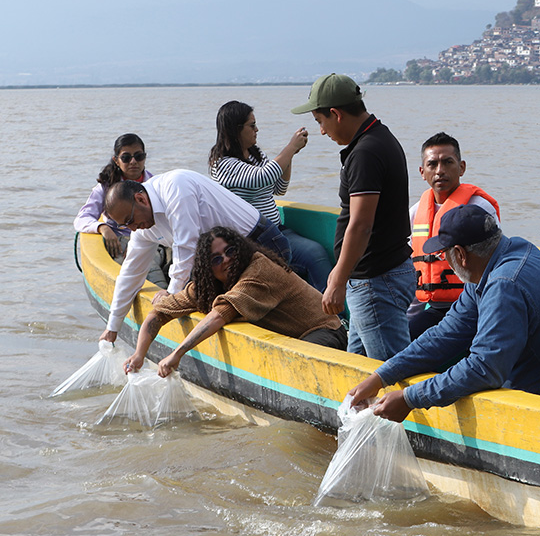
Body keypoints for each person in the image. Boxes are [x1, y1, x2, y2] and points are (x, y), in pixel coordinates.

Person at [345, 205, 540, 422]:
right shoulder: (506, 255)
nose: (444, 260)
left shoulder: (503, 284)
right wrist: (383, 375)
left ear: (460, 255)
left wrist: (410, 398)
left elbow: (484, 368)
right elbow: (447, 334)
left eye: (443, 254)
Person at [291, 73, 416, 361]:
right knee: (358, 367)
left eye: (320, 122)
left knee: (390, 374)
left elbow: (360, 224)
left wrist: (337, 279)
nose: (322, 132)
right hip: (378, 276)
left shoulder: (366, 153)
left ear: (335, 114)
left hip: (375, 281)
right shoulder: (379, 138)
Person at [97, 169, 291, 344]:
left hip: (261, 243)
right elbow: (130, 273)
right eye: (125, 225)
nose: (132, 228)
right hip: (227, 262)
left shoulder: (176, 186)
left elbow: (186, 246)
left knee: (280, 318)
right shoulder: (141, 225)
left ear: (141, 199)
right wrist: (112, 327)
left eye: (131, 220)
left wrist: (171, 296)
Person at [125, 226, 345, 377]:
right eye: (217, 259)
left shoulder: (259, 270)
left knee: (298, 363)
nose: (227, 260)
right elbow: (159, 313)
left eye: (230, 251)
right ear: (208, 269)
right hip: (293, 338)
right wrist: (139, 355)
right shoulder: (207, 288)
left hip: (324, 329)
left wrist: (177, 354)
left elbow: (220, 314)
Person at [208, 100, 334, 291]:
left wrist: (290, 155)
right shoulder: (222, 164)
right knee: (312, 254)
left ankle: (331, 315)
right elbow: (262, 177)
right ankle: (333, 317)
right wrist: (290, 148)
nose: (256, 130)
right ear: (236, 129)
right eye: (252, 126)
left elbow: (279, 188)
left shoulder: (255, 155)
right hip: (252, 239)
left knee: (315, 252)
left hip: (276, 230)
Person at [408, 131, 500, 338]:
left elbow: (496, 260)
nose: (440, 170)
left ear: (461, 167)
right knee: (407, 338)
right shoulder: (415, 213)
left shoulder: (480, 208)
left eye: (447, 162)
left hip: (476, 305)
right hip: (437, 307)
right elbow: (415, 270)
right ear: (422, 172)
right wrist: (409, 318)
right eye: (432, 164)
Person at [74, 133, 168, 285]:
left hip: (154, 240)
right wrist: (103, 228)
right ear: (116, 160)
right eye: (126, 158)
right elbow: (82, 218)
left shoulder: (155, 184)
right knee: (144, 267)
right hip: (119, 242)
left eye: (138, 156)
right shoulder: (106, 187)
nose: (133, 162)